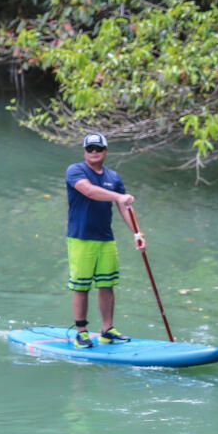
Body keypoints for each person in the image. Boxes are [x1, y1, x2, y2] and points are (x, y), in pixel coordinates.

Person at [65, 132, 146, 348]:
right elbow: (89, 191)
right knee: (81, 286)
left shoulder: (113, 177)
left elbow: (124, 207)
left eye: (98, 149)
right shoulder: (76, 170)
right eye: (89, 149)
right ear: (84, 151)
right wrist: (119, 196)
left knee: (107, 284)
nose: (94, 152)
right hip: (81, 238)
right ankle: (81, 332)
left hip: (106, 239)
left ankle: (107, 330)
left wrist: (137, 234)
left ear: (105, 151)